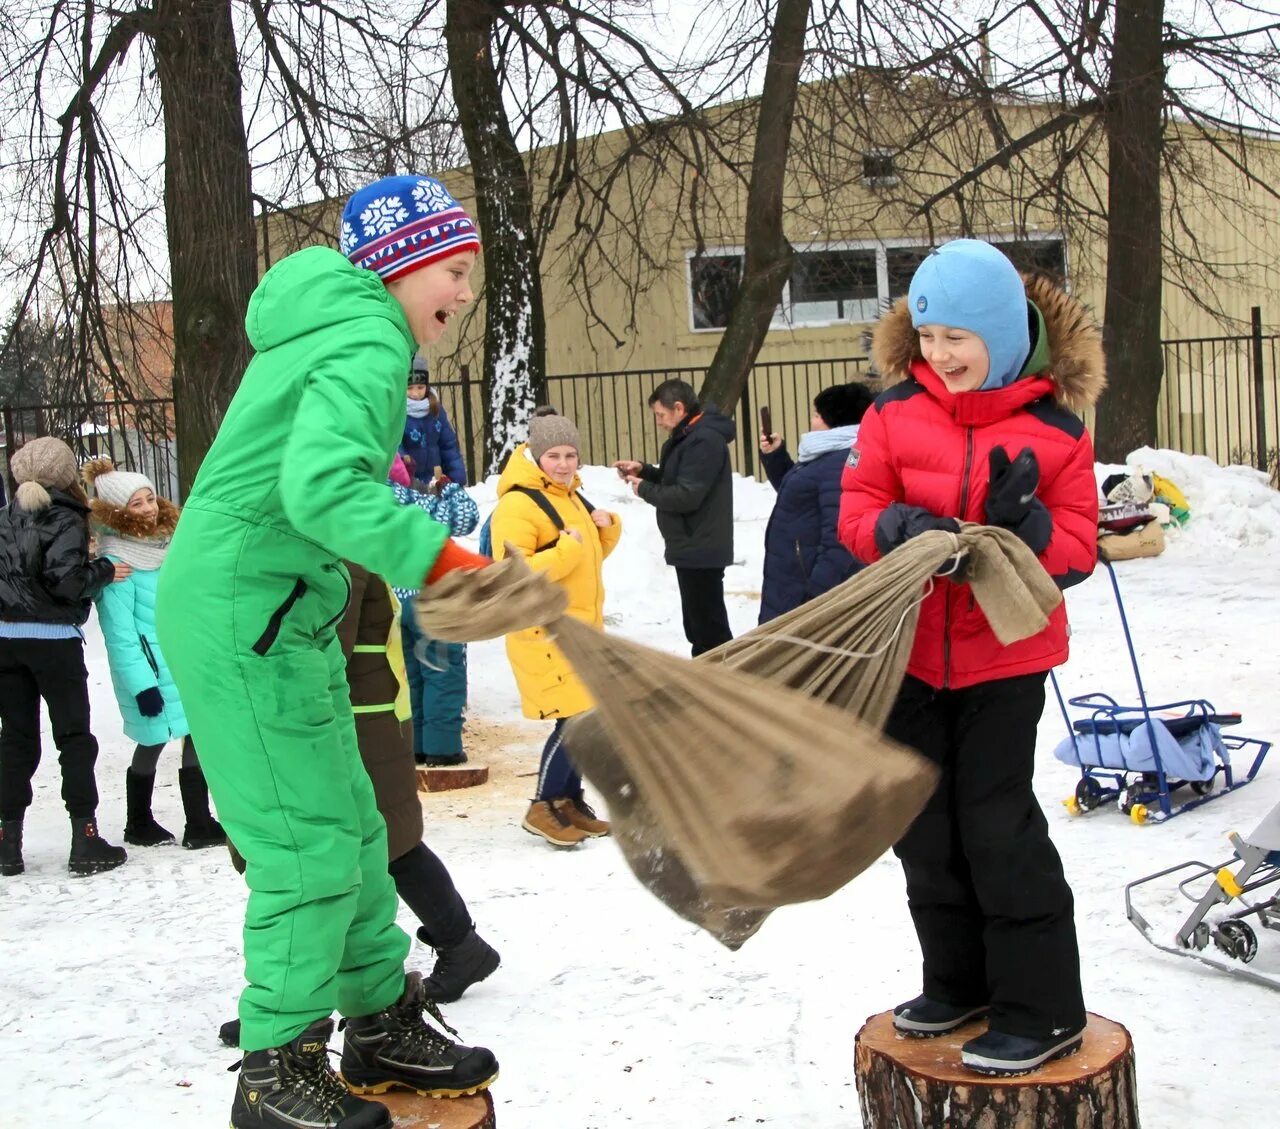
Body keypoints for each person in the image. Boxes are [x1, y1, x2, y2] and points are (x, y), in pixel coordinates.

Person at [154, 174, 498, 1129]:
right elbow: (320, 490)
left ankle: (381, 1018)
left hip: (281, 607)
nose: (465, 294)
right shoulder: (367, 337)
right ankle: (276, 1064)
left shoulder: (340, 325)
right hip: (243, 610)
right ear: (404, 262)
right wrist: (445, 563)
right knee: (305, 844)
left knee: (354, 827)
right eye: (457, 271)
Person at [838, 239, 1103, 1076]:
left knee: (997, 827)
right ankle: (959, 981)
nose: (939, 354)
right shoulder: (889, 415)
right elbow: (857, 509)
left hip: (1003, 660)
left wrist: (1025, 530)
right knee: (923, 824)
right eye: (928, 334)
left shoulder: (1056, 432)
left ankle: (1042, 1005)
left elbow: (1080, 548)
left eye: (959, 336)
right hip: (910, 653)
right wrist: (897, 531)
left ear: (1000, 330)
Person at [491, 408, 621, 847]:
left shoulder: (569, 497)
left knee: (588, 715)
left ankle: (567, 799)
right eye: (554, 455)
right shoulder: (518, 505)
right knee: (576, 719)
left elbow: (587, 561)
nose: (564, 464)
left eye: (571, 455)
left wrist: (607, 530)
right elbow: (512, 574)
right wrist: (567, 548)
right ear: (535, 455)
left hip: (578, 627)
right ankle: (542, 805)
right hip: (544, 633)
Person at [0, 437, 129, 877]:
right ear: (64, 475)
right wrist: (106, 570)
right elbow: (66, 582)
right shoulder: (68, 518)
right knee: (73, 737)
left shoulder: (4, 518)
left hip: (6, 642)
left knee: (14, 739)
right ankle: (85, 839)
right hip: (54, 641)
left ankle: (7, 843)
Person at [82, 458, 225, 850]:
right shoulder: (116, 565)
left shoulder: (163, 548)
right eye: (136, 504)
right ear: (117, 513)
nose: (148, 508)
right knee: (152, 741)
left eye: (149, 499)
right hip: (149, 671)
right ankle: (138, 821)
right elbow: (120, 636)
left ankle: (198, 822)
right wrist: (142, 685)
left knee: (197, 734)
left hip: (181, 661)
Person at [613, 379, 735, 656]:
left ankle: (721, 683)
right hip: (690, 543)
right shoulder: (688, 437)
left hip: (700, 544)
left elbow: (687, 495)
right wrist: (643, 470)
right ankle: (713, 680)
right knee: (698, 625)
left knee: (708, 630)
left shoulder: (703, 440)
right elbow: (675, 479)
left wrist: (644, 489)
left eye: (660, 414)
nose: (658, 422)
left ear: (679, 408)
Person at [396, 401, 474, 766]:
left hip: (399, 600)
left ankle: (416, 744)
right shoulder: (410, 501)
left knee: (414, 675)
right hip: (432, 598)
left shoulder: (367, 504)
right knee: (443, 673)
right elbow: (464, 517)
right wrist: (450, 487)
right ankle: (443, 750)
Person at [757, 382, 874, 623]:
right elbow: (798, 499)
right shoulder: (827, 454)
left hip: (805, 593)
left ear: (835, 421)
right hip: (793, 583)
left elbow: (839, 540)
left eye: (817, 415)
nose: (812, 420)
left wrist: (814, 598)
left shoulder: (841, 462)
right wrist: (776, 456)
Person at [401, 353, 467, 486]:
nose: (415, 393)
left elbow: (448, 446)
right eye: (409, 388)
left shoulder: (435, 409)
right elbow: (394, 447)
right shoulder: (398, 413)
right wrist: (404, 465)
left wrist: (457, 476)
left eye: (420, 387)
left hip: (435, 481)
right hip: (410, 484)